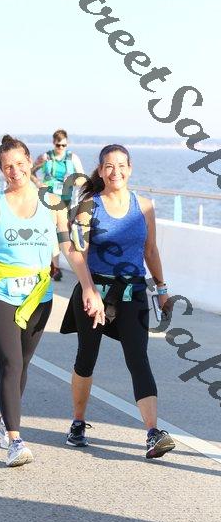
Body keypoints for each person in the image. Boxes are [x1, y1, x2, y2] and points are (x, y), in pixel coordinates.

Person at [0, 135, 104, 467]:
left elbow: (69, 248)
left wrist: (88, 287)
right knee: (10, 363)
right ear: (1, 169)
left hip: (38, 294)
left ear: (29, 162)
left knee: (22, 363)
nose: (15, 171)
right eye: (8, 166)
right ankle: (15, 440)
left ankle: (4, 421)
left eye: (20, 163)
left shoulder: (53, 203)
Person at [61, 144, 176, 459]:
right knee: (86, 358)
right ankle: (78, 423)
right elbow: (77, 252)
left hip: (133, 293)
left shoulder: (145, 206)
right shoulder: (88, 207)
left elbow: (150, 250)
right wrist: (88, 290)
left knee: (138, 358)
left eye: (122, 165)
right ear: (100, 170)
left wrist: (162, 288)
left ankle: (153, 433)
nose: (116, 172)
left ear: (130, 168)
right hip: (95, 290)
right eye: (109, 166)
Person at [31, 129, 84, 282]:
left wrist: (73, 181)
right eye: (58, 145)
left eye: (63, 145)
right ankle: (54, 267)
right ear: (53, 143)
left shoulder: (73, 158)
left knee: (62, 233)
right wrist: (38, 183)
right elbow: (30, 172)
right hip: (47, 198)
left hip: (65, 199)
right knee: (48, 231)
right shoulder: (45, 157)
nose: (61, 148)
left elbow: (82, 178)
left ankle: (54, 265)